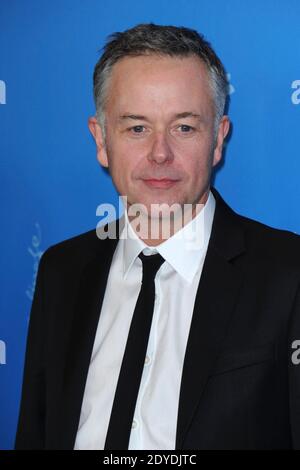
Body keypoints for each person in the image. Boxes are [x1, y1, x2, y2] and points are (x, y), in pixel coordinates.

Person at [15, 23, 300, 450]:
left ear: (218, 140)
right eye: (137, 128)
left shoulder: (288, 273)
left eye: (184, 127)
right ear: (101, 139)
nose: (160, 153)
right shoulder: (61, 271)